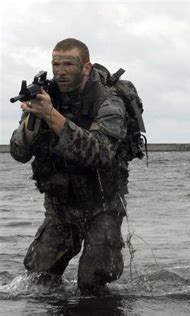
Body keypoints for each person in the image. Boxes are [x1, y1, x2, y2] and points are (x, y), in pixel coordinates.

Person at [9, 38, 129, 295]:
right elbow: (18, 153)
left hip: (103, 205)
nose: (60, 70)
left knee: (92, 282)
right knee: (38, 282)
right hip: (61, 206)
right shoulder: (45, 97)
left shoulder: (108, 101)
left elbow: (99, 153)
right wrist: (33, 119)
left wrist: (51, 115)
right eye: (56, 64)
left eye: (68, 64)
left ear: (86, 67)